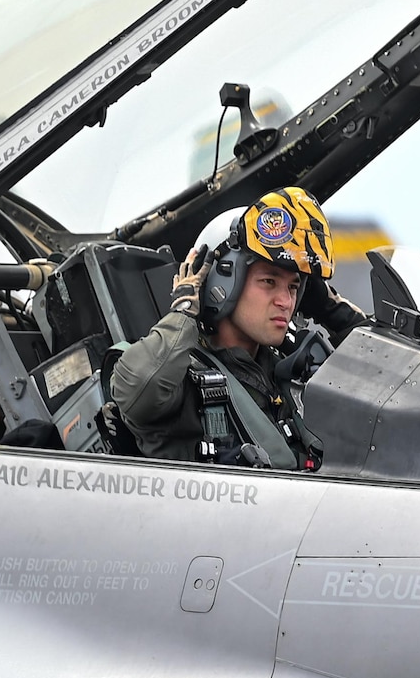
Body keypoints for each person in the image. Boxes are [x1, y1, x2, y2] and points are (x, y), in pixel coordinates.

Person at [111, 187, 365, 468]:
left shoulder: (292, 374)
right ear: (221, 280)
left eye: (294, 287)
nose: (286, 301)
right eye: (269, 282)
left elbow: (388, 383)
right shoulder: (180, 381)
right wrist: (184, 310)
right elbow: (138, 387)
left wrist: (332, 309)